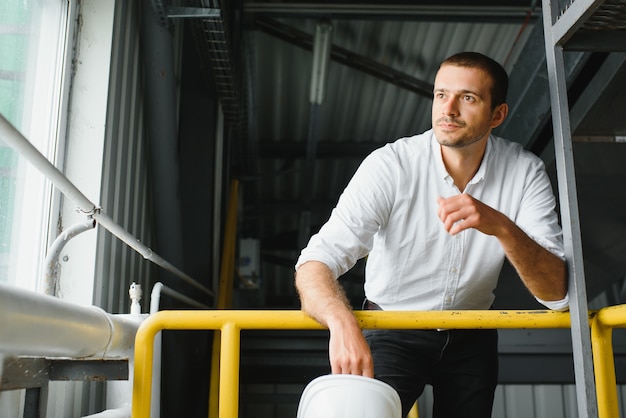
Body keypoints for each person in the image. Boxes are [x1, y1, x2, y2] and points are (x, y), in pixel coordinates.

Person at [294, 51, 568, 418]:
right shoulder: (390, 165)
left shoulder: (524, 172)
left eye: (467, 98)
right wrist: (342, 323)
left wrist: (501, 226)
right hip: (391, 326)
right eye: (441, 95)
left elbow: (556, 293)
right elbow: (314, 263)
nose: (449, 109)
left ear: (498, 115)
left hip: (473, 332)